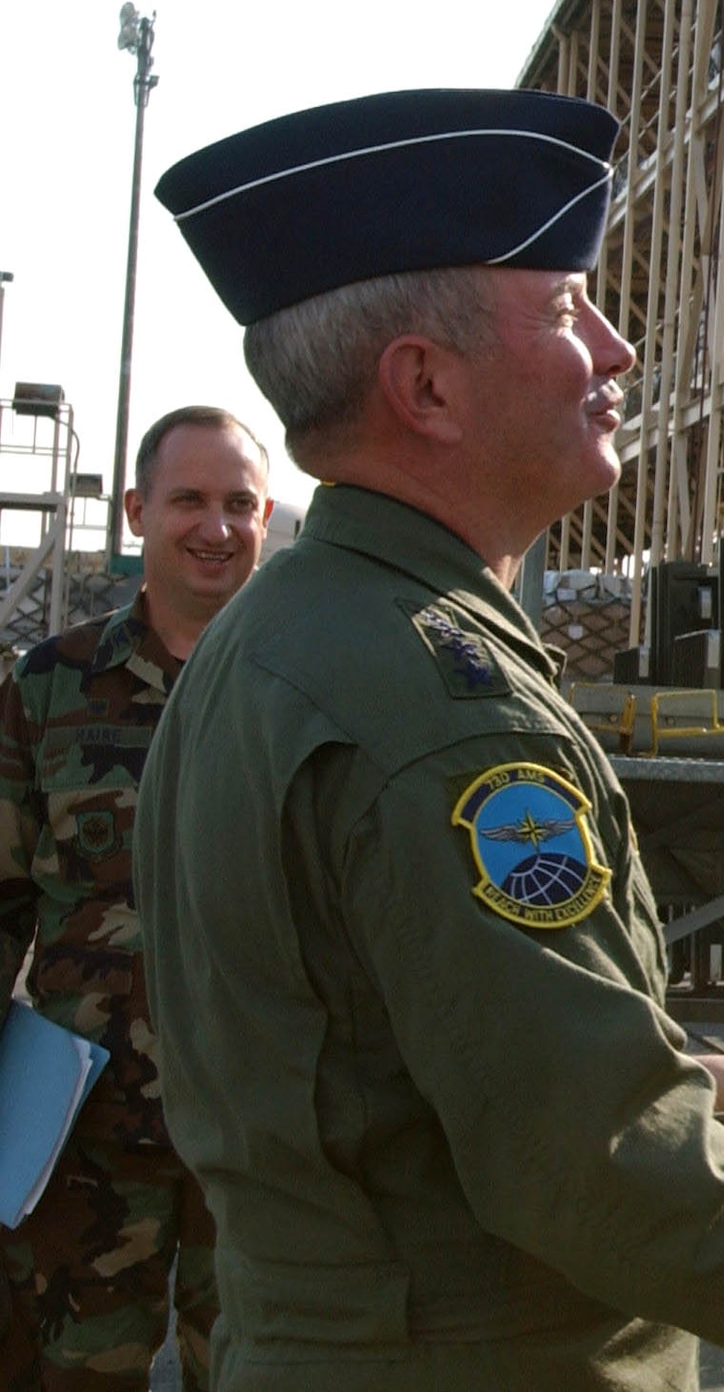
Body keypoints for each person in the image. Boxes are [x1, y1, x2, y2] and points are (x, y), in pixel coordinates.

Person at [136, 87, 724, 1392]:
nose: (621, 349)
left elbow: (371, 1054)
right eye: (568, 309)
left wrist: (668, 1067)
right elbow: (593, 1166)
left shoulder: (282, 639)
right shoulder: (438, 708)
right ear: (425, 385)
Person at [0, 407, 272, 1389]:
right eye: (188, 499)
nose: (216, 525)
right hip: (82, 1132)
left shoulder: (303, 686)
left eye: (238, 503)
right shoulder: (50, 685)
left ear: (267, 514)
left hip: (262, 1136)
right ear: (135, 512)